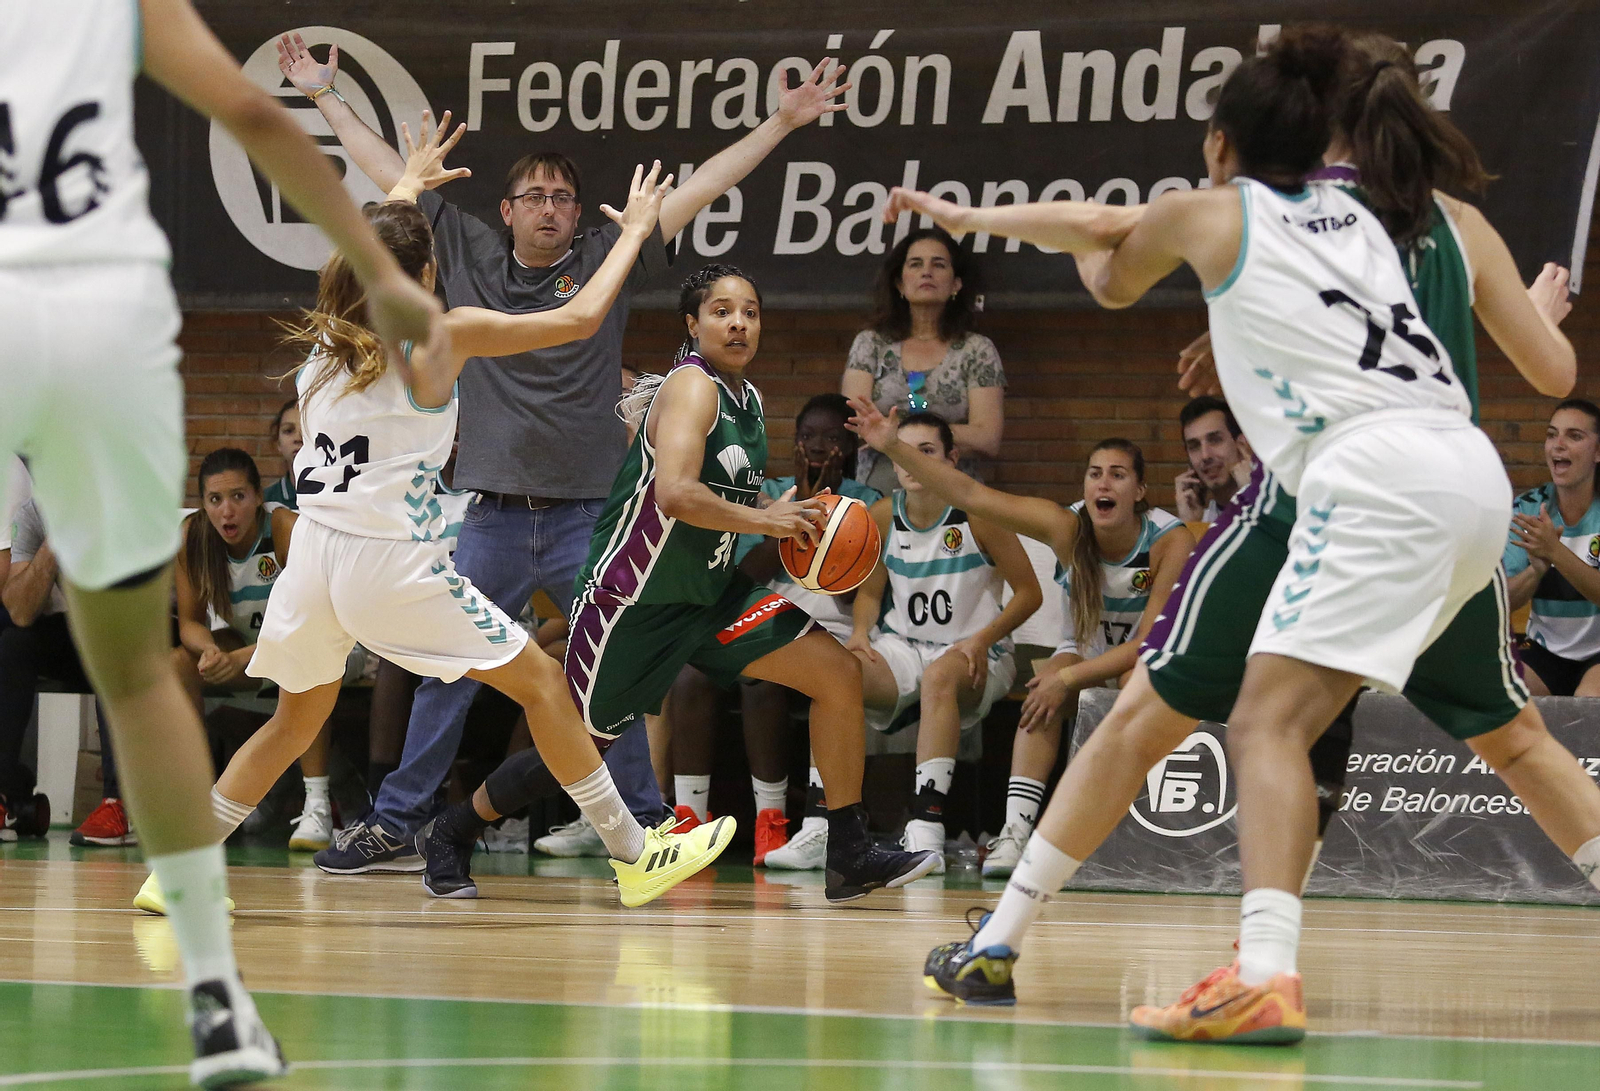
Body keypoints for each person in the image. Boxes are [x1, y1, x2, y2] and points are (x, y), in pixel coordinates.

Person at [886, 28, 1600, 1044]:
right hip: (1463, 477)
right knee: (1510, 732)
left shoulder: (1237, 209)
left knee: (1246, 720)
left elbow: (1109, 250)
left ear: (1230, 140)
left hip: (1344, 487)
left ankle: (1251, 970)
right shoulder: (1435, 216)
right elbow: (1549, 369)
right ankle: (1030, 940)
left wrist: (975, 220)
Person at [273, 37, 855, 871]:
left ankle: (645, 823)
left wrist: (782, 123)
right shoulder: (465, 255)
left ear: (580, 216)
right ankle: (396, 821)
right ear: (505, 211)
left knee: (609, 671)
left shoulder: (604, 261)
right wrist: (326, 97)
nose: (549, 208)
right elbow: (393, 183)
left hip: (590, 515)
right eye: (534, 196)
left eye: (563, 197)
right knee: (447, 672)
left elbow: (698, 187)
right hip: (493, 512)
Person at [0, 1, 446, 1082]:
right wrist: (384, 261)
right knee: (135, 674)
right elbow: (253, 113)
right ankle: (214, 994)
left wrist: (392, 215)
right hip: (93, 322)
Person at [137, 166, 743, 914]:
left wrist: (403, 188)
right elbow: (583, 317)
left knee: (295, 721)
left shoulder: (326, 337)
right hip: (386, 561)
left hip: (314, 558)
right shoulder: (439, 336)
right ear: (427, 274)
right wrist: (636, 233)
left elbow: (369, 254)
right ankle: (636, 853)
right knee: (544, 685)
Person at [414, 265, 940, 903]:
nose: (739, 323)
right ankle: (453, 828)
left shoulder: (748, 398)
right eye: (722, 311)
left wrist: (789, 522)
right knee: (577, 747)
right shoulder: (692, 387)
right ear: (692, 324)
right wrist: (766, 522)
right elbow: (676, 494)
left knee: (836, 673)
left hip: (711, 596)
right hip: (633, 601)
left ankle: (847, 849)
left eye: (750, 311)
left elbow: (724, 500)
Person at [669, 393, 881, 867]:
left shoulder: (866, 502)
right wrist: (791, 514)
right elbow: (747, 573)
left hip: (831, 626)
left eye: (831, 437)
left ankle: (773, 820)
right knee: (689, 675)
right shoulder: (771, 493)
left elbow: (853, 593)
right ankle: (688, 818)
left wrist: (826, 529)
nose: (818, 445)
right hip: (761, 613)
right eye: (808, 435)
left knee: (764, 680)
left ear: (850, 447)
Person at [979, 439, 1190, 878]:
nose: (1104, 483)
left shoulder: (1170, 540)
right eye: (1095, 473)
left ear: (1140, 490)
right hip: (1083, 652)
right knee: (1042, 694)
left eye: (1118, 474)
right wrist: (892, 446)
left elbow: (1149, 643)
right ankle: (1016, 830)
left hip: (1144, 660)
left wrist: (1069, 679)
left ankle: (1141, 832)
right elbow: (972, 495)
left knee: (1133, 684)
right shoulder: (1068, 528)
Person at [840, 411, 1040, 870]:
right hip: (905, 646)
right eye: (903, 451)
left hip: (976, 649)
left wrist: (983, 639)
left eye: (926, 451)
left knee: (939, 677)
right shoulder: (883, 515)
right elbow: (869, 592)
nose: (912, 462)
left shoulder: (979, 513)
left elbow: (1030, 593)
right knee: (838, 673)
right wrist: (859, 633)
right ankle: (823, 824)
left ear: (952, 459)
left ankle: (926, 826)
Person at [170, 448, 350, 851]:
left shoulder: (285, 528)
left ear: (258, 497)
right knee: (178, 663)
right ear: (203, 505)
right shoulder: (193, 536)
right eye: (215, 499)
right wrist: (210, 650)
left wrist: (242, 657)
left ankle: (317, 805)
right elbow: (190, 624)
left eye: (238, 496)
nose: (227, 511)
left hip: (321, 647)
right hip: (253, 654)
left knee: (304, 663)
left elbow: (311, 623)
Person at [0, 498, 126, 846]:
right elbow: (20, 612)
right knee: (13, 644)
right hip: (78, 634)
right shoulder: (34, 513)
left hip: (135, 629)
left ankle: (119, 805)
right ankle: (4, 799)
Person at [841, 228, 1005, 495]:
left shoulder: (977, 350)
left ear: (956, 284)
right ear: (900, 284)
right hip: (875, 491)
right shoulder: (870, 343)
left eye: (938, 265)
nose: (926, 272)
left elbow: (988, 438)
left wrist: (894, 433)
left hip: (955, 493)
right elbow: (853, 423)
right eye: (916, 264)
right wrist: (941, 436)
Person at [1505, 400, 1600, 696]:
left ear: (1598, 452)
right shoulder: (1527, 509)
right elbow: (1502, 603)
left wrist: (1555, 552)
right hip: (1543, 650)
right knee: (1504, 696)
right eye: (1551, 434)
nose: (1558, 445)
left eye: (1574, 436)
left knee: (1588, 704)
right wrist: (1535, 571)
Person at [1175, 396, 1252, 523]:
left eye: (1215, 440)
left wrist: (1252, 497)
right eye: (1194, 446)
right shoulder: (1201, 519)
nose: (1205, 456)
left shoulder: (1281, 502)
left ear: (1241, 445)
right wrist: (1190, 524)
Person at [262, 400, 302, 509]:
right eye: (289, 431)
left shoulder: (338, 496)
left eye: (306, 430)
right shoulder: (266, 501)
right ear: (278, 443)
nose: (298, 438)